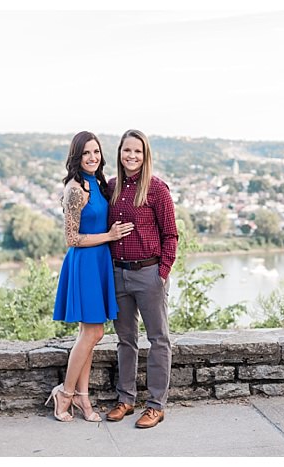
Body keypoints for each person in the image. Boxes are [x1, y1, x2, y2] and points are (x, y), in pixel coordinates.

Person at [46, 131, 134, 422]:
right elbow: (71, 238)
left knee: (90, 334)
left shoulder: (98, 183)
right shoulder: (75, 189)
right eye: (86, 153)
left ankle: (83, 399)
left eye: (96, 152)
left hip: (99, 262)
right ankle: (66, 393)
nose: (92, 157)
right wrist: (108, 236)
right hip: (84, 263)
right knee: (93, 332)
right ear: (76, 157)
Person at [105, 129, 179, 429]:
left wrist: (161, 274)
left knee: (158, 339)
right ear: (120, 154)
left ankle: (156, 405)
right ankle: (126, 399)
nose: (131, 156)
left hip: (149, 273)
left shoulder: (157, 189)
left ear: (145, 154)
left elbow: (171, 235)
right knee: (125, 340)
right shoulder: (111, 187)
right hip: (118, 273)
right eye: (127, 151)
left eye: (137, 151)